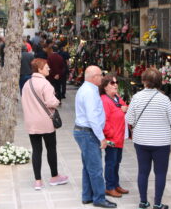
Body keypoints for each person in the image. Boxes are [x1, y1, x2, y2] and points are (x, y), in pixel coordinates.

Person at [125, 68, 171, 209]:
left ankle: (143, 202)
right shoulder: (164, 99)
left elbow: (129, 119)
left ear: (144, 81)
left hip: (141, 140)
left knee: (143, 171)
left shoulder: (137, 97)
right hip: (161, 142)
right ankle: (157, 203)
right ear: (159, 82)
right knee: (160, 173)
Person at [21, 58, 69, 190]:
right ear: (39, 69)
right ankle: (54, 177)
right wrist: (57, 101)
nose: (49, 68)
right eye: (46, 67)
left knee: (36, 150)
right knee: (51, 148)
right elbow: (51, 102)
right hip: (45, 121)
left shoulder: (27, 84)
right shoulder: (45, 84)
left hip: (31, 121)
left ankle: (38, 181)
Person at [74, 66, 117, 208]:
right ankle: (99, 198)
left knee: (88, 166)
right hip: (88, 132)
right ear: (93, 77)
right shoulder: (90, 92)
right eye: (100, 75)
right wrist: (101, 138)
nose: (102, 77)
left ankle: (87, 195)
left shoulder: (88, 89)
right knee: (96, 168)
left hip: (84, 131)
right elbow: (92, 117)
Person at [99, 75, 129, 198]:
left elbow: (126, 107)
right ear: (105, 86)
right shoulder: (104, 100)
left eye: (116, 82)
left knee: (117, 161)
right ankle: (109, 187)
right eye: (112, 83)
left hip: (119, 136)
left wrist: (125, 108)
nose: (116, 85)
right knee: (111, 162)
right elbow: (103, 120)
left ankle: (116, 184)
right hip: (112, 138)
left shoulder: (116, 97)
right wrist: (110, 135)